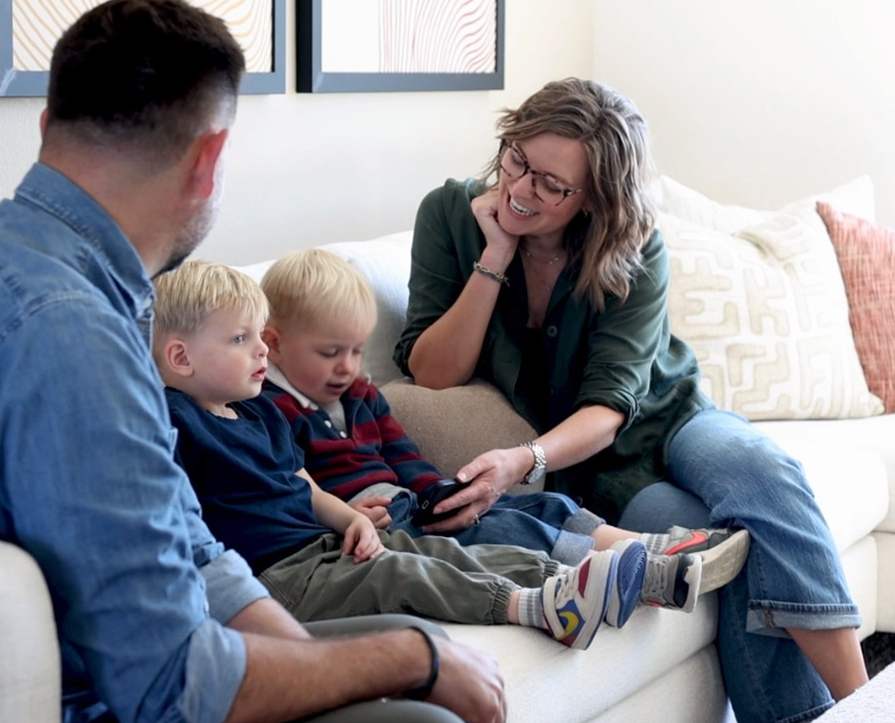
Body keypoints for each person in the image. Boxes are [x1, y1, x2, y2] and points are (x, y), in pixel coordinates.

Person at [0, 0, 504, 723]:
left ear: (46, 127)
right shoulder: (67, 333)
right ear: (210, 161)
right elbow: (174, 693)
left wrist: (309, 655)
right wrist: (406, 659)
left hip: (90, 678)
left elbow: (184, 537)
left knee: (396, 645)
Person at [393, 77, 869, 723]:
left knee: (761, 476)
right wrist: (494, 255)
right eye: (517, 160)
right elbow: (431, 372)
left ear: (596, 198)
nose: (522, 188)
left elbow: (613, 406)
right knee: (731, 547)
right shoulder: (454, 214)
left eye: (553, 185)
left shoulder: (633, 245)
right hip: (605, 478)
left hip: (671, 420)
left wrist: (523, 458)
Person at [151, 258, 649, 651]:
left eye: (260, 335)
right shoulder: (171, 420)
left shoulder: (257, 412)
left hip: (322, 548)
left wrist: (349, 521)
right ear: (181, 357)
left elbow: (302, 482)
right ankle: (538, 608)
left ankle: (581, 580)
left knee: (434, 551)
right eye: (241, 339)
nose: (261, 350)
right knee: (399, 572)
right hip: (278, 578)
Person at [258, 247, 752, 616]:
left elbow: (403, 454)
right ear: (273, 344)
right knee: (510, 529)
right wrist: (342, 518)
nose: (347, 367)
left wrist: (442, 493)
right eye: (330, 353)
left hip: (414, 504)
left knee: (535, 505)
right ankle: (630, 572)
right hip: (378, 527)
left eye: (356, 351)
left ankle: (649, 548)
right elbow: (287, 490)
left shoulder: (360, 393)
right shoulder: (269, 409)